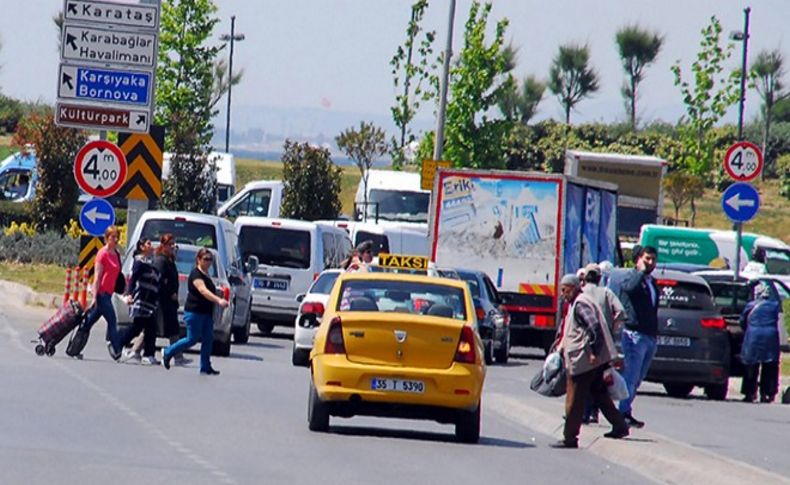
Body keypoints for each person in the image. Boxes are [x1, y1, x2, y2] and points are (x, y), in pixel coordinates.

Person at [551, 274, 629, 449]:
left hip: (584, 360)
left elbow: (594, 327)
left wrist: (593, 352)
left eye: (565, 290)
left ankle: (570, 438)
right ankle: (620, 425)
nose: (563, 294)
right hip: (591, 360)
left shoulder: (581, 304)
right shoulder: (579, 301)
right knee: (599, 394)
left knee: (575, 398)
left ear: (573, 288)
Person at [161, 248, 228, 375]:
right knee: (192, 339)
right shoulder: (196, 274)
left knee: (208, 339)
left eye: (210, 260)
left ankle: (205, 366)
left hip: (206, 313)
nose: (208, 262)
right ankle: (168, 351)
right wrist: (218, 300)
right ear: (198, 260)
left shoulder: (206, 275)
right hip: (194, 312)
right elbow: (203, 290)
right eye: (205, 259)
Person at [617, 246, 659, 428]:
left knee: (638, 378)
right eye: (647, 259)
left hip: (649, 336)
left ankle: (626, 410)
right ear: (638, 259)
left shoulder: (651, 282)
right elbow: (629, 288)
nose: (651, 263)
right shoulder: (632, 277)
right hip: (634, 335)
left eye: (653, 260)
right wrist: (640, 272)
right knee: (631, 377)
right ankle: (622, 413)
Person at [581, 262, 627, 425]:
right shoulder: (606, 293)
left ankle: (584, 413)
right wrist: (612, 328)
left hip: (584, 344)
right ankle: (594, 412)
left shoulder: (581, 293)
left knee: (584, 380)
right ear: (600, 278)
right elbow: (621, 312)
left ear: (585, 278)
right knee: (599, 380)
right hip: (604, 344)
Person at [116, 238, 160, 365]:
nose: (151, 246)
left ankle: (149, 354)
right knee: (137, 327)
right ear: (142, 247)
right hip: (141, 299)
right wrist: (129, 294)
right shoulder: (139, 261)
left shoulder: (150, 262)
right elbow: (133, 279)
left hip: (150, 301)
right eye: (148, 244)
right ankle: (118, 343)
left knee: (151, 328)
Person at [83, 225, 124, 360]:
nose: (115, 239)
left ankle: (74, 347)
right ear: (106, 238)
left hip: (109, 294)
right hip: (101, 294)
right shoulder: (102, 254)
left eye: (117, 236)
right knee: (112, 320)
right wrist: (94, 297)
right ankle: (117, 351)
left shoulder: (116, 254)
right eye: (113, 237)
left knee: (88, 323)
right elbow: (97, 277)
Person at [739, 283, 781, 403]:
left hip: (754, 335)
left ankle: (749, 393)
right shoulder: (774, 305)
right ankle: (767, 393)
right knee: (770, 365)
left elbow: (743, 320)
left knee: (751, 364)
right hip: (771, 336)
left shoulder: (750, 305)